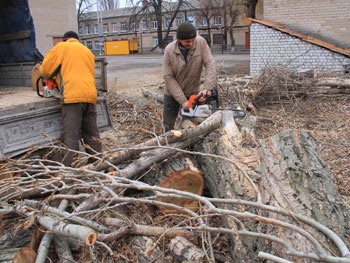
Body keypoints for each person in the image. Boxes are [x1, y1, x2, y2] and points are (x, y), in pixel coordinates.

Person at [40, 31, 102, 166]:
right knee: (92, 134)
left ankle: (71, 170)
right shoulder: (87, 51)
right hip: (90, 95)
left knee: (70, 136)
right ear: (77, 40)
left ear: (65, 39)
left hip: (72, 97)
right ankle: (97, 165)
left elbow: (46, 70)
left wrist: (52, 77)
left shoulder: (61, 47)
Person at [162, 21, 217, 131]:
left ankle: (189, 146)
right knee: (168, 125)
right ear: (179, 39)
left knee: (190, 127)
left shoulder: (201, 43)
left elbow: (210, 65)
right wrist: (183, 101)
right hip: (172, 94)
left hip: (192, 92)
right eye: (187, 41)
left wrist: (207, 88)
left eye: (193, 40)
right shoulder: (169, 50)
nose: (191, 44)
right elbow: (168, 77)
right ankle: (166, 144)